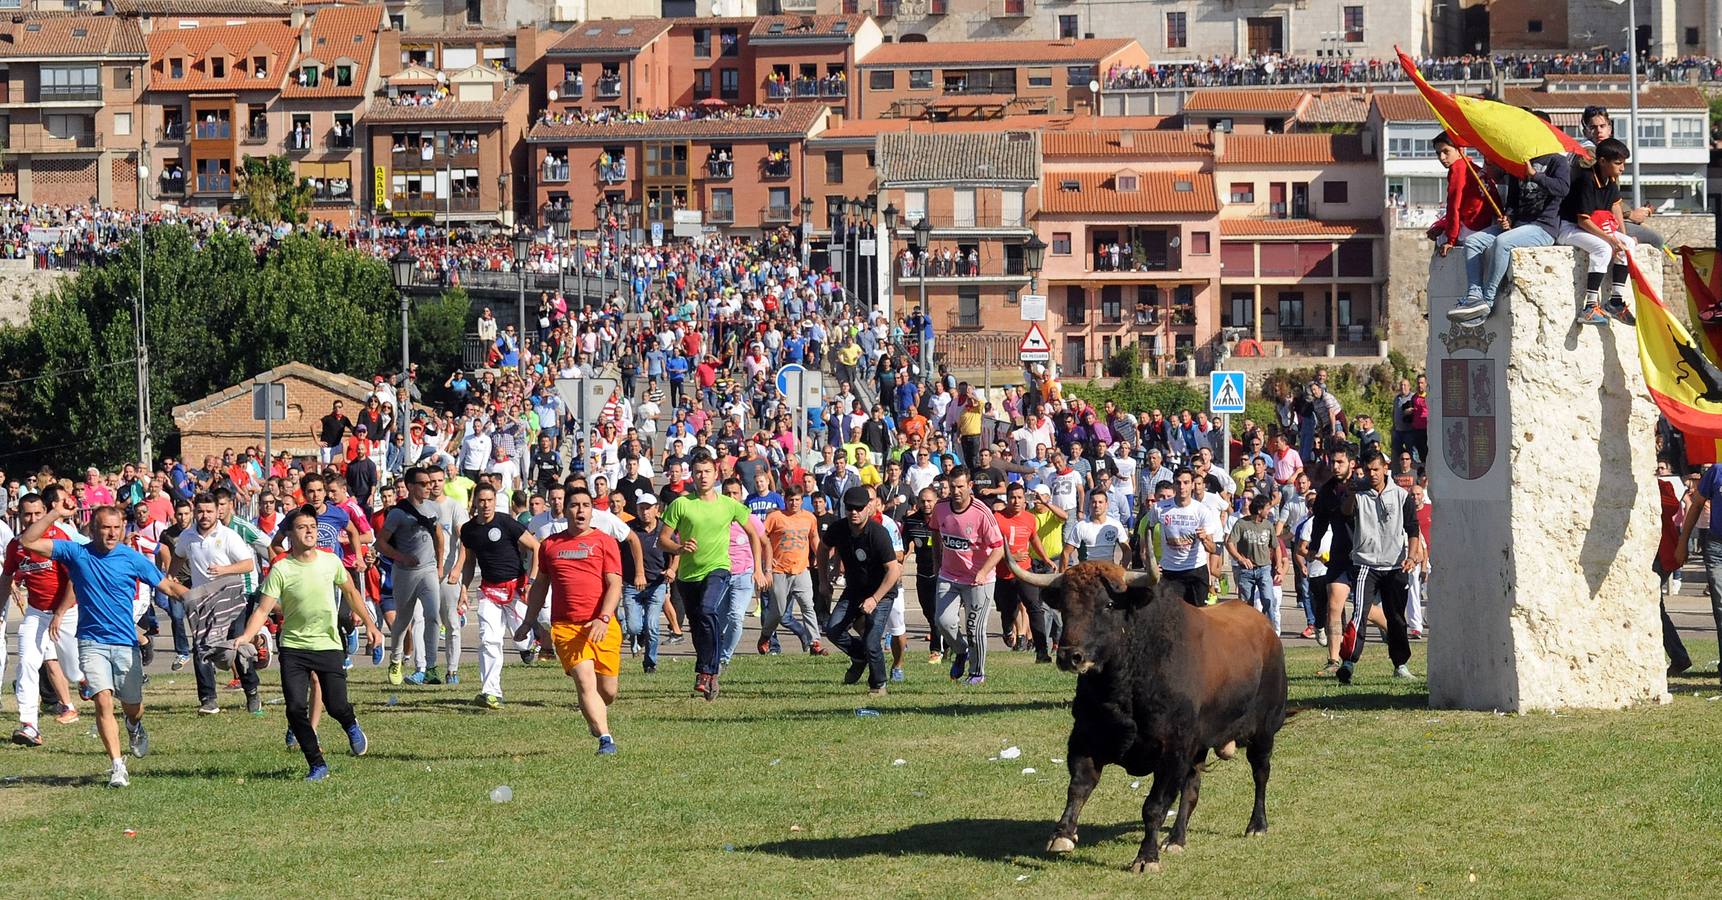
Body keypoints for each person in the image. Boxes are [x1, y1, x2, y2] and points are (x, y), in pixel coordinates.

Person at [22, 499, 191, 788]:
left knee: (132, 706)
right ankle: (117, 766)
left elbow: (168, 587)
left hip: (125, 643)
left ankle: (134, 726)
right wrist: (54, 514)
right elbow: (28, 540)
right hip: (91, 641)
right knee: (102, 699)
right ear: (93, 529)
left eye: (116, 528)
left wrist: (201, 601)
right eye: (105, 528)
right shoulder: (76, 553)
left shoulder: (132, 558)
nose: (111, 533)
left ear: (123, 527)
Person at [233, 505, 381, 781]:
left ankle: (350, 724)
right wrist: (245, 635)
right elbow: (263, 610)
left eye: (312, 526)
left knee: (337, 705)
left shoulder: (330, 562)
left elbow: (350, 593)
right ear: (290, 534)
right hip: (293, 647)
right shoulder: (282, 568)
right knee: (294, 709)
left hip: (327, 644)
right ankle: (317, 764)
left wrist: (371, 626)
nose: (310, 530)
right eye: (302, 527)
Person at [515, 487, 623, 756]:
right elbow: (541, 585)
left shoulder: (604, 542)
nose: (580, 510)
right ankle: (606, 739)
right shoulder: (551, 545)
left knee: (607, 692)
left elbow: (615, 584)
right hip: (566, 626)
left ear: (592, 511)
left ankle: (595, 714)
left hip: (602, 625)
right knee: (584, 680)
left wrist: (603, 618)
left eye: (586, 505)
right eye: (575, 505)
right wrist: (529, 622)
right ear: (566, 510)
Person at [659, 453, 761, 700]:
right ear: (691, 475)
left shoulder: (729, 504)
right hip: (688, 575)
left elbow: (753, 534)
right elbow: (663, 540)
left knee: (707, 610)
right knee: (697, 627)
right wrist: (679, 548)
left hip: (718, 568)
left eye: (707, 471)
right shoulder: (681, 504)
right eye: (698, 472)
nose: (702, 476)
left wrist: (758, 568)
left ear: (716, 474)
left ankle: (706, 671)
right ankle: (710, 674)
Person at [1331, 450, 1425, 684]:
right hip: (1365, 563)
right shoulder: (1359, 493)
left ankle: (1400, 664)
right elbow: (1345, 513)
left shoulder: (1401, 496)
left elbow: (1413, 530)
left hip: (1395, 565)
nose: (1372, 474)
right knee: (1359, 612)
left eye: (1376, 469)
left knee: (1396, 618)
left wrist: (1412, 557)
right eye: (1368, 469)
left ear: (1385, 468)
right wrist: (1352, 494)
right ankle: (1348, 663)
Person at [452, 483, 539, 709]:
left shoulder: (506, 522)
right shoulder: (469, 530)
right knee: (489, 640)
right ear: (474, 503)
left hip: (515, 589)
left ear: (495, 501)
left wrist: (531, 581)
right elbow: (470, 562)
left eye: (490, 500)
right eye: (481, 500)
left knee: (521, 641)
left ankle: (531, 646)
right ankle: (491, 692)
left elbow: (535, 547)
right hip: (488, 592)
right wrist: (464, 587)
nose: (486, 505)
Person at [4, 492, 82, 747]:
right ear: (19, 515)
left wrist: (60, 614)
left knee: (73, 670)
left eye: (38, 513)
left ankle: (84, 681)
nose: (33, 518)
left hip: (68, 612)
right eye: (28, 514)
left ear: (46, 512)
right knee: (27, 661)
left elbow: (74, 579)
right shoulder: (15, 545)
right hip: (36, 613)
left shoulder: (57, 539)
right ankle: (29, 725)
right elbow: (7, 578)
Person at [174, 492, 261, 716]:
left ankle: (251, 691)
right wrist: (171, 576)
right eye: (200, 511)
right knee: (201, 649)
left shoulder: (229, 535)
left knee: (236, 646)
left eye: (209, 511)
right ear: (195, 512)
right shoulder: (188, 536)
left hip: (231, 598)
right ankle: (208, 700)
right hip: (203, 600)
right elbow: (178, 556)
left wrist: (224, 570)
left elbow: (248, 564)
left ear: (217, 512)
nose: (204, 515)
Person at [820, 486, 902, 695]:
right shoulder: (838, 529)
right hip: (855, 590)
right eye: (849, 508)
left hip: (882, 593)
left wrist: (874, 599)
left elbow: (894, 570)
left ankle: (878, 684)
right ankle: (859, 656)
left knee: (872, 640)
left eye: (858, 508)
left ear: (868, 507)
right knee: (833, 629)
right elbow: (822, 548)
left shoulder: (878, 533)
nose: (854, 512)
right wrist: (823, 580)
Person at [928, 467, 1004, 685]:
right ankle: (961, 651)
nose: (956, 491)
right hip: (949, 575)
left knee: (975, 629)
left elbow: (998, 549)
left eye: (960, 486)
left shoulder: (982, 512)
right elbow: (935, 531)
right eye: (952, 487)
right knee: (942, 622)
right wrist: (936, 562)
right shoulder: (941, 507)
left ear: (970, 486)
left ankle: (977, 673)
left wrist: (982, 571)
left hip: (978, 579)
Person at [1555, 137, 1636, 326]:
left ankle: (1615, 302)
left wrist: (1622, 236)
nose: (1622, 168)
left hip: (1594, 227)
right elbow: (1583, 221)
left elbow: (1615, 208)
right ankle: (1590, 307)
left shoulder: (1610, 180)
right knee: (1603, 249)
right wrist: (1611, 240)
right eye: (1618, 163)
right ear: (1602, 161)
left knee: (1628, 244)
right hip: (1569, 228)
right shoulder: (1586, 180)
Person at [379, 467, 446, 686]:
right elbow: (380, 543)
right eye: (423, 484)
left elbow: (438, 536)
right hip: (405, 573)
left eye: (430, 483)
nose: (429, 487)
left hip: (428, 570)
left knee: (433, 615)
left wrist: (439, 564)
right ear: (410, 486)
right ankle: (396, 659)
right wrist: (401, 557)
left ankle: (432, 667)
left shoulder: (434, 508)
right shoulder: (398, 513)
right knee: (403, 620)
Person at [760, 482, 822, 656]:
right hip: (779, 570)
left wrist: (820, 556)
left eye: (797, 500)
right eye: (790, 500)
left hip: (802, 569)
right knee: (778, 611)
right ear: (785, 501)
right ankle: (765, 636)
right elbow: (762, 539)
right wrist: (765, 561)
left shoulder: (809, 518)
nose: (793, 503)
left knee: (808, 606)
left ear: (802, 501)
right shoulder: (775, 517)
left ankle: (814, 642)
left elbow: (814, 537)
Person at [620, 492, 674, 674]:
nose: (645, 512)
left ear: (656, 509)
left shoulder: (664, 530)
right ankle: (639, 633)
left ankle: (650, 662)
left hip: (656, 584)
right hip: (631, 585)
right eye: (641, 508)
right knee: (634, 626)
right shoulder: (628, 529)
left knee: (652, 624)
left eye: (648, 508)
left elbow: (677, 551)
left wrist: (672, 569)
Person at [1153, 467, 1222, 606]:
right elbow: (1146, 531)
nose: (1182, 487)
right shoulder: (1159, 508)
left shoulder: (1202, 511)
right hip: (1170, 571)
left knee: (1199, 617)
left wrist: (1204, 539)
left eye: (1186, 482)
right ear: (1174, 484)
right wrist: (1151, 561)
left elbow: (1213, 548)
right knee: (1171, 616)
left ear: (1192, 485)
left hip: (1195, 570)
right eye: (1178, 483)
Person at [1227, 494, 1281, 634]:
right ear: (1259, 510)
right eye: (1267, 508)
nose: (1269, 511)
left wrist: (1279, 565)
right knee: (1246, 605)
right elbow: (1230, 543)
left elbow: (1276, 546)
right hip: (1246, 571)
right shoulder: (1242, 524)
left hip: (1264, 569)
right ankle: (1247, 633)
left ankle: (1269, 632)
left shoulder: (1269, 525)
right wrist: (1240, 559)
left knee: (1268, 600)